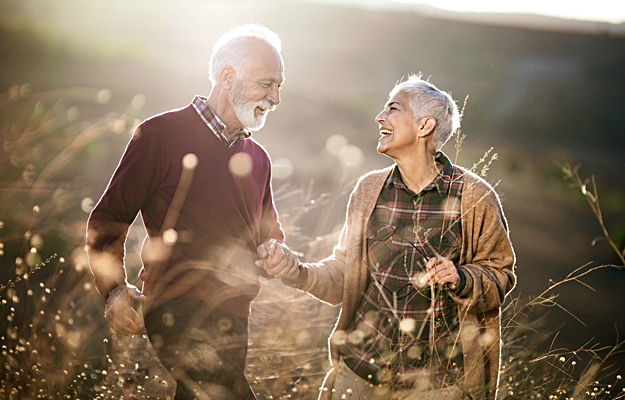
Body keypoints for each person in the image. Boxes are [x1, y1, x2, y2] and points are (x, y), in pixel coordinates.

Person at [257, 75, 516, 399]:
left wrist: (461, 277)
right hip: (359, 374)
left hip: (437, 385)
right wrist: (299, 273)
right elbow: (344, 273)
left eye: (393, 109)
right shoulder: (368, 190)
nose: (380, 117)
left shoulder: (475, 197)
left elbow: (500, 274)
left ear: (424, 126)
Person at [87, 23, 297, 400]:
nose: (276, 97)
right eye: (267, 84)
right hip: (177, 306)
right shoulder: (160, 135)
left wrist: (276, 252)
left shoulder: (259, 159)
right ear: (228, 77)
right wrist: (114, 289)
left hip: (236, 315)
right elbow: (108, 218)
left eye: (279, 86)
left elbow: (268, 232)